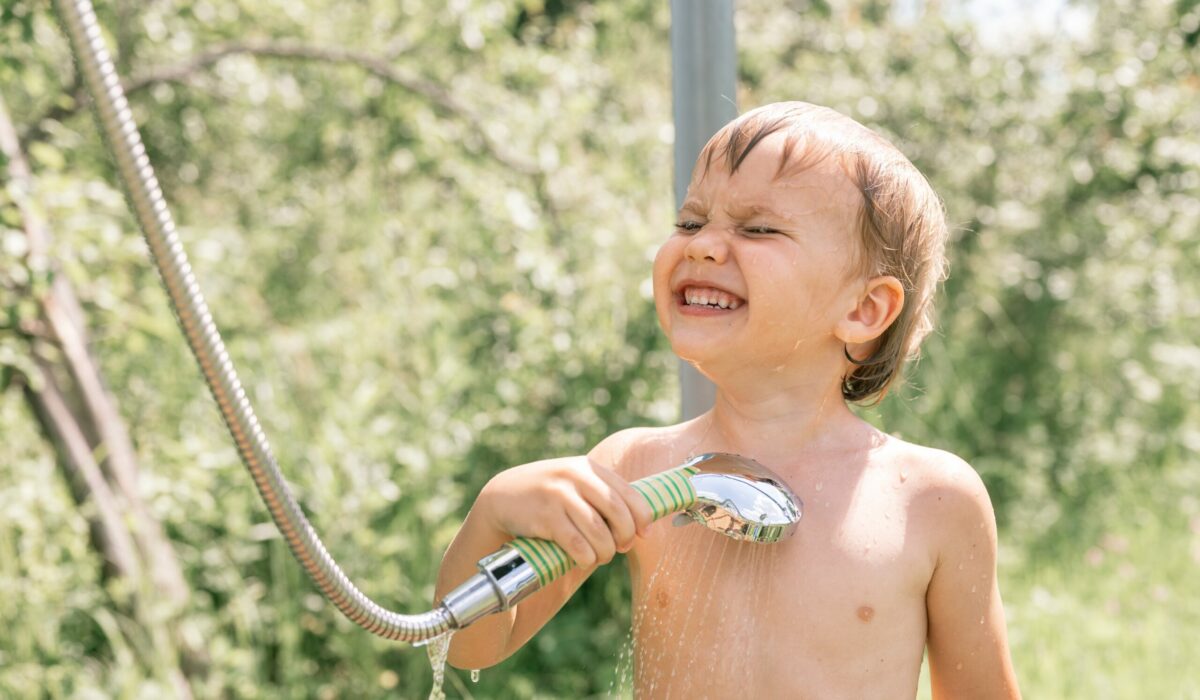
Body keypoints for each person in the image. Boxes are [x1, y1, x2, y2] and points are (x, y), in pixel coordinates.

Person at [434, 101, 1021, 698]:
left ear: (863, 310)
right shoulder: (636, 467)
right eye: (689, 222)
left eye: (758, 229)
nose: (703, 246)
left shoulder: (932, 499)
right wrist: (493, 512)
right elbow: (469, 645)